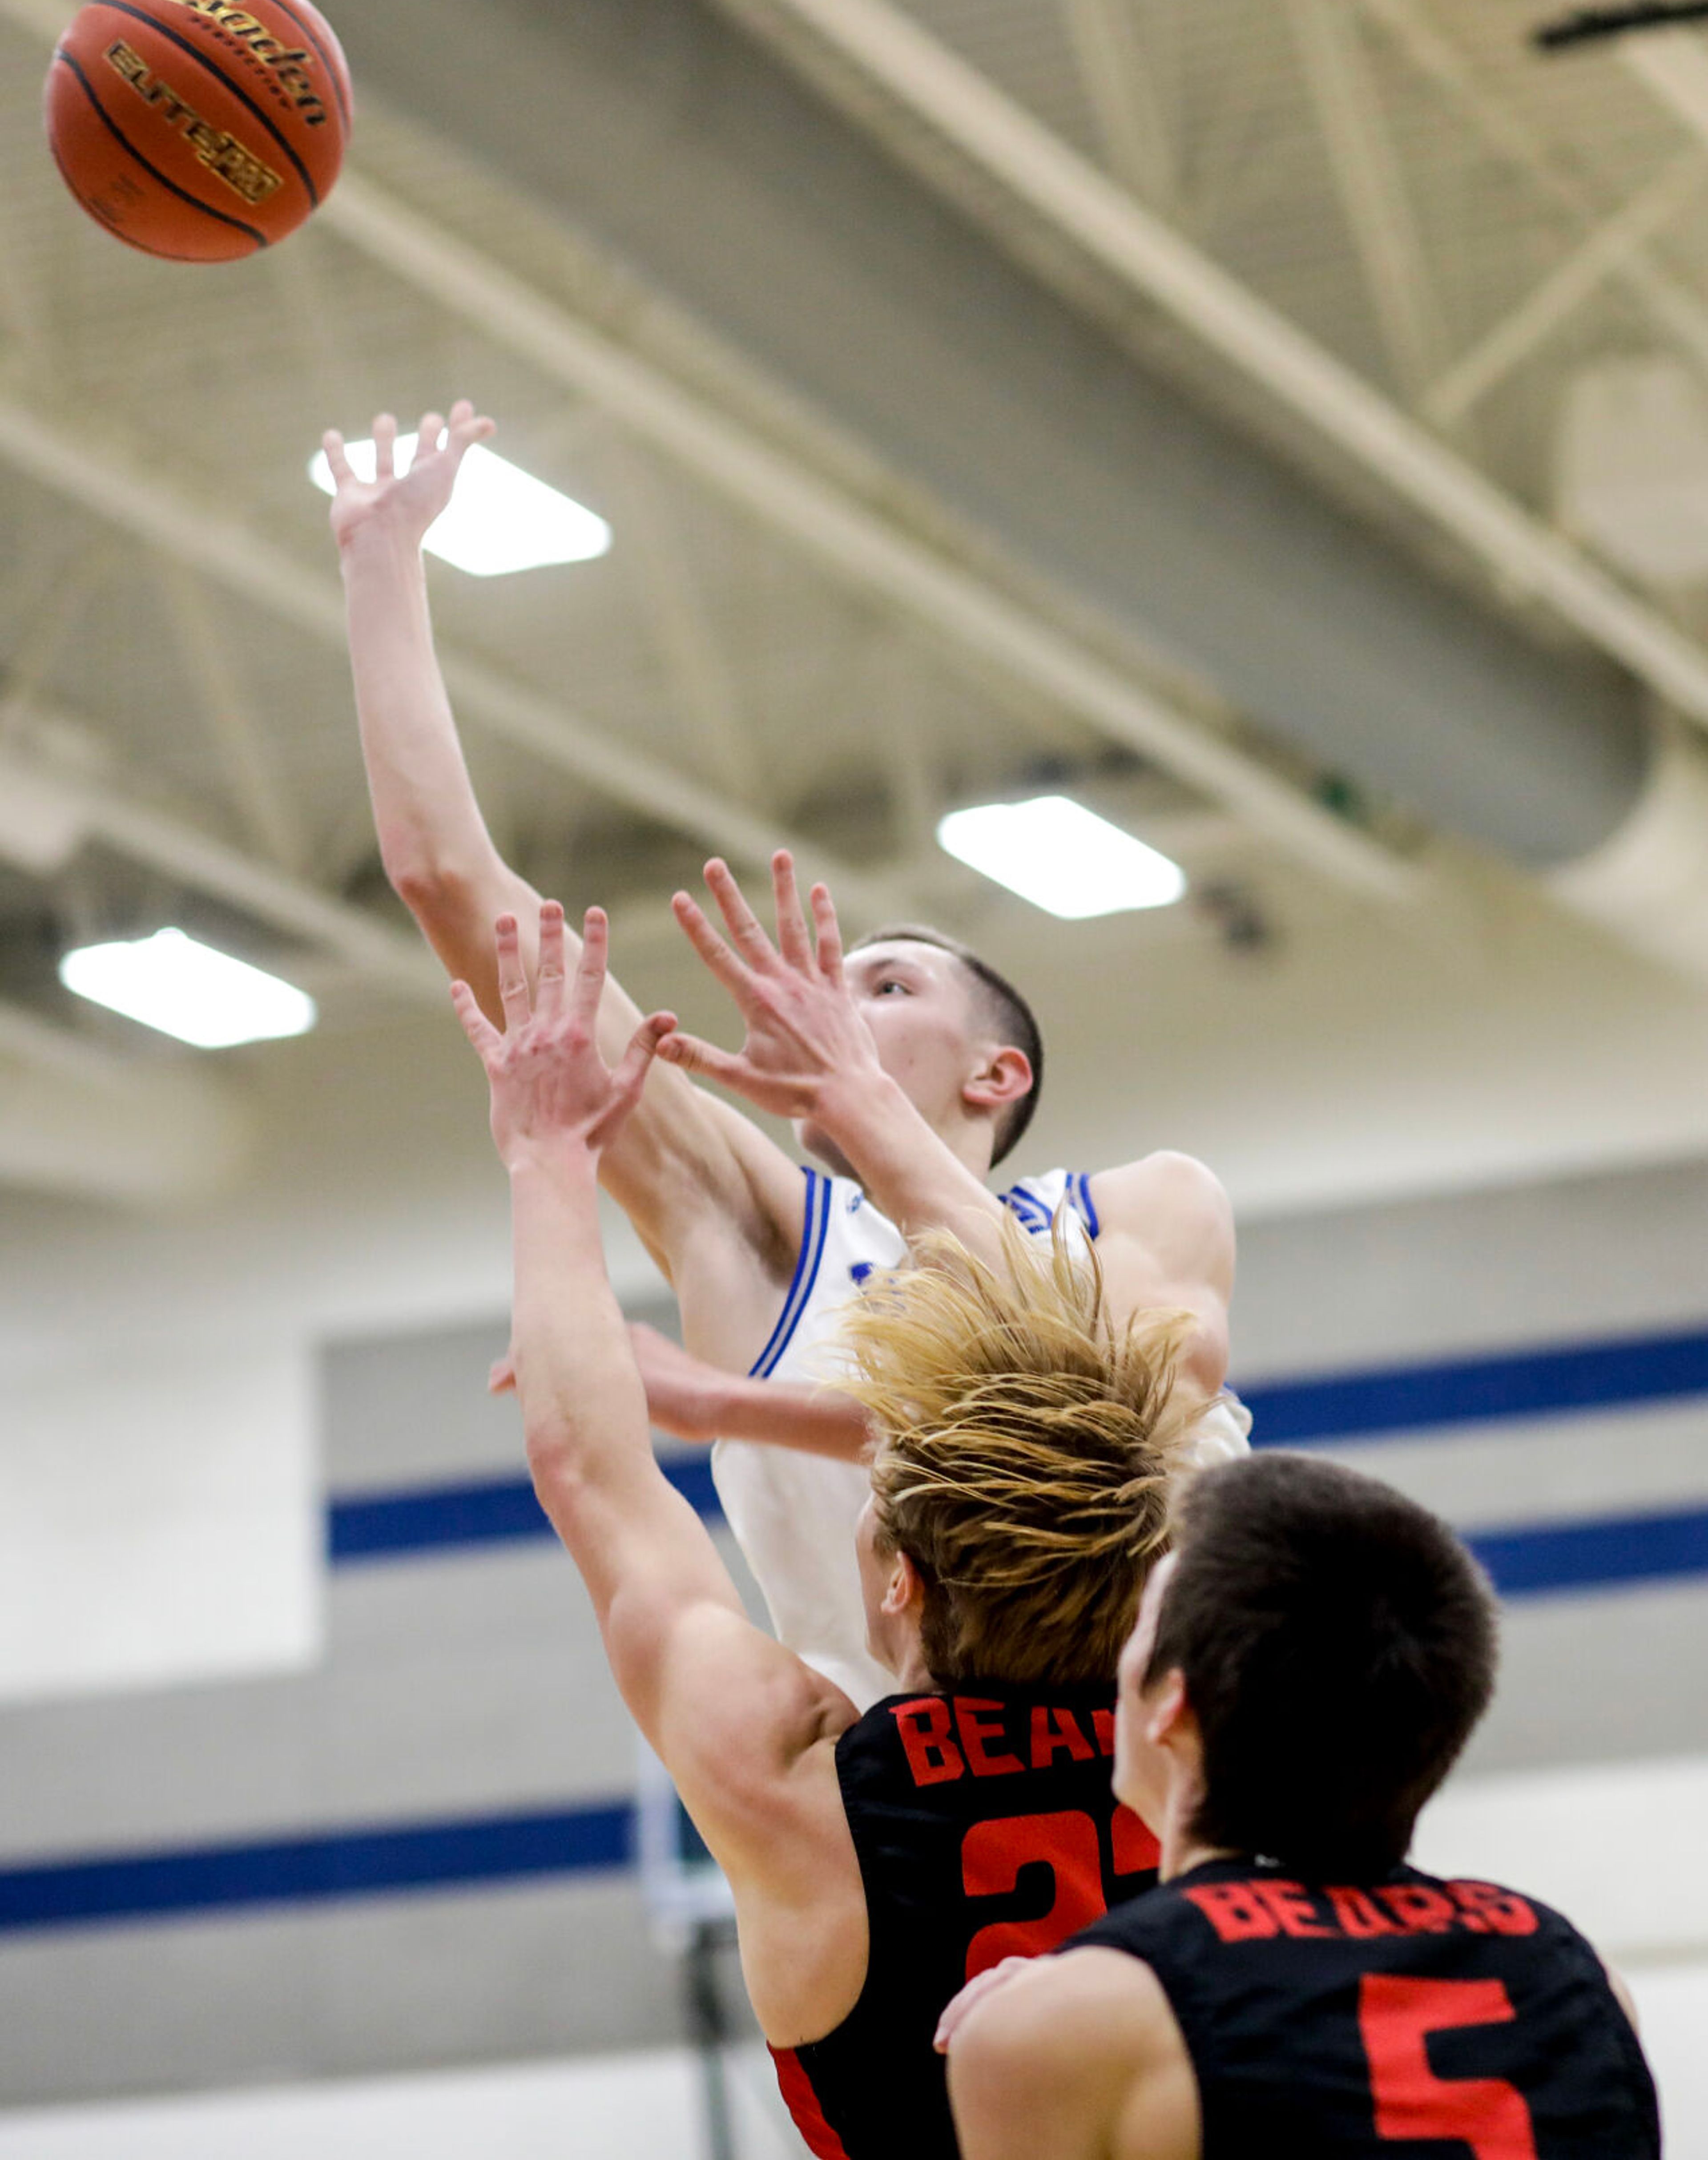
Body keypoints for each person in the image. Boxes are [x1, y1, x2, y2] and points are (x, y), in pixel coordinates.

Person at [324, 402, 1245, 1703]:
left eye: (887, 983)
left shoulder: (1149, 1203)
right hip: (878, 1832)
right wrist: (379, 565)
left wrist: (724, 1401)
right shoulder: (762, 1233)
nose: (833, 999)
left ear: (997, 1074)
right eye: (834, 979)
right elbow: (450, 884)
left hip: (1159, 1813)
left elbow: (1125, 1406)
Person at [451, 898, 1212, 2159]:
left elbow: (589, 1470)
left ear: (901, 1581)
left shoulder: (794, 1777)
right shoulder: (1196, 1740)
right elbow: (1102, 1416)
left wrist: (546, 1165)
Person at [940, 1453, 1661, 2160]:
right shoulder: (1580, 1978)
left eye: (1139, 1626)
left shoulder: (1051, 2031)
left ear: (1173, 1705)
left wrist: (1058, 2002)